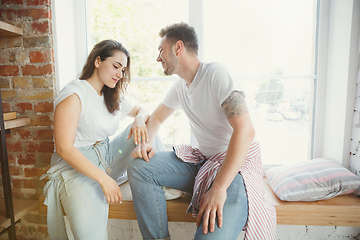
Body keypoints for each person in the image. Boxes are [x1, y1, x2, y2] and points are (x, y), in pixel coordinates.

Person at [127, 23, 277, 240]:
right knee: (140, 167)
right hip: (205, 162)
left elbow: (245, 130)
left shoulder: (217, 74)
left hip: (236, 169)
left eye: (161, 50)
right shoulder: (181, 87)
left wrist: (218, 188)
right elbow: (157, 117)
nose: (158, 58)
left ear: (178, 47)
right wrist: (146, 142)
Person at [41, 39, 164, 240]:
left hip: (106, 157)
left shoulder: (109, 94)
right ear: (98, 61)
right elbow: (64, 148)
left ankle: (161, 183)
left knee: (148, 127)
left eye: (123, 70)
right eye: (116, 66)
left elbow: (143, 110)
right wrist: (103, 179)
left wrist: (139, 119)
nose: (120, 74)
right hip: (76, 169)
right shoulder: (74, 94)